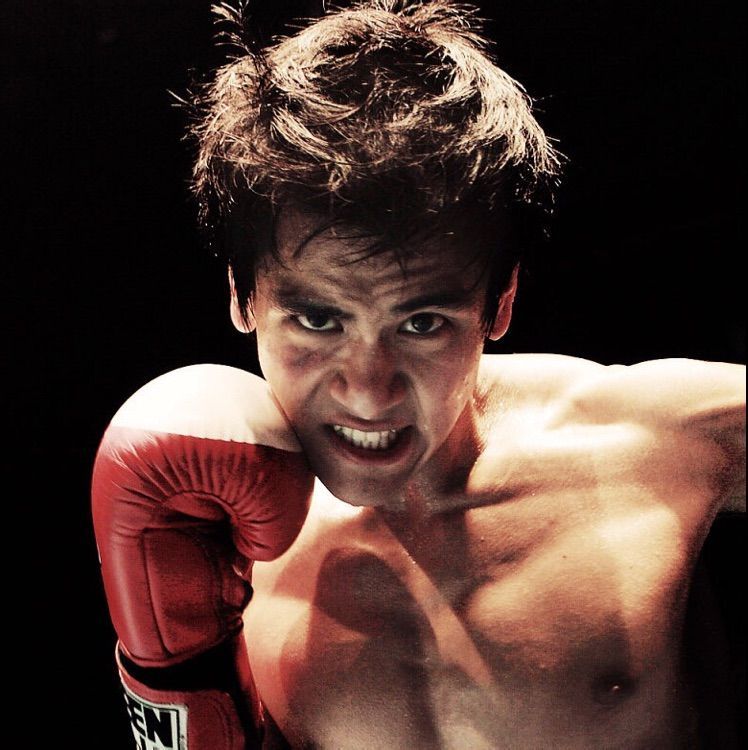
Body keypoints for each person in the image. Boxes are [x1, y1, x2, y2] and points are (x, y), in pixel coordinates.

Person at [91, 1, 745, 748]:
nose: (369, 391)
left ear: (500, 303)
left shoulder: (653, 442)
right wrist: (169, 680)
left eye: (422, 323)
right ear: (243, 297)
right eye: (318, 320)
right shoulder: (217, 549)